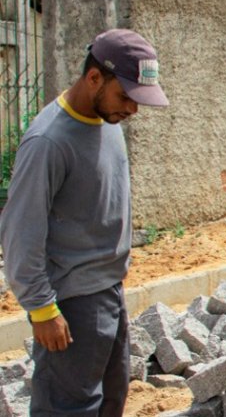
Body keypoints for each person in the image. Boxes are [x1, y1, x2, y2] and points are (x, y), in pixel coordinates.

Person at [0, 29, 169, 416]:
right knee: (68, 408)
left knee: (110, 400)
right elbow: (19, 232)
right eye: (125, 96)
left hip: (108, 290)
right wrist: (42, 309)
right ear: (94, 78)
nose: (132, 110)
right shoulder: (49, 142)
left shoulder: (105, 121)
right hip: (72, 301)